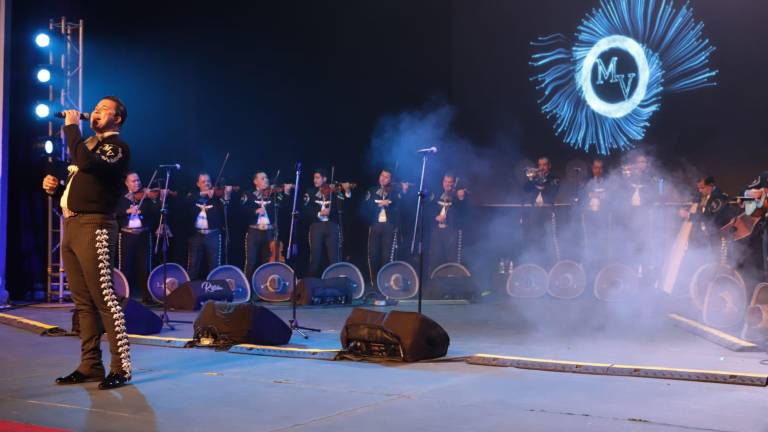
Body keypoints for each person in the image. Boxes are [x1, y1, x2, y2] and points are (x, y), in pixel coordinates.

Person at [41, 96, 132, 389]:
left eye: (104, 110)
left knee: (105, 297)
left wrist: (70, 128)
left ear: (117, 119)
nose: (96, 112)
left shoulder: (116, 148)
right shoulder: (89, 148)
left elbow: (87, 164)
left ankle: (121, 367)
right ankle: (90, 364)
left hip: (96, 226)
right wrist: (57, 191)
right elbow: (85, 183)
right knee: (82, 301)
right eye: (95, 108)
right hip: (72, 225)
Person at [116, 172, 159, 305]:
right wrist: (127, 211)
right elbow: (114, 213)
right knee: (126, 267)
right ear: (127, 183)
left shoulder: (145, 197)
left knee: (145, 267)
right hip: (127, 235)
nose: (137, 183)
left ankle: (147, 297)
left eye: (138, 180)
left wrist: (153, 199)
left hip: (143, 235)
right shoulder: (121, 197)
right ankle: (122, 297)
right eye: (133, 181)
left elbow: (155, 213)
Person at [241, 171, 292, 280]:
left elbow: (285, 208)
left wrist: (286, 193)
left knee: (268, 260)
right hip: (254, 232)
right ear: (255, 181)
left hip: (269, 232)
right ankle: (249, 288)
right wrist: (255, 211)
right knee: (251, 261)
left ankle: (265, 289)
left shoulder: (273, 194)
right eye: (263, 178)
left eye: (267, 178)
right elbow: (242, 211)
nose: (266, 180)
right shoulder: (249, 195)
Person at [301, 168, 352, 276]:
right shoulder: (310, 192)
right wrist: (319, 213)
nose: (315, 180)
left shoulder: (334, 191)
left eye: (318, 178)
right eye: (314, 178)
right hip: (316, 226)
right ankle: (311, 282)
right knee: (315, 256)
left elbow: (343, 206)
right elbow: (306, 210)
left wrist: (347, 191)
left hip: (332, 226)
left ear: (324, 179)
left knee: (334, 257)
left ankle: (336, 281)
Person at [363, 168, 406, 285]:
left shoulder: (394, 192)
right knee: (373, 255)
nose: (383, 178)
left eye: (386, 177)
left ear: (391, 180)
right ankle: (374, 283)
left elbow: (400, 204)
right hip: (375, 225)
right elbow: (367, 205)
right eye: (382, 175)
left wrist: (402, 191)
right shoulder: (372, 190)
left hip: (389, 226)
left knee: (387, 256)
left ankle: (387, 283)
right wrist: (379, 204)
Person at [186, 172, 231, 280]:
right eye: (203, 181)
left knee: (215, 266)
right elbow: (186, 203)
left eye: (208, 181)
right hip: (196, 235)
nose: (206, 183)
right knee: (193, 265)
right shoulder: (192, 196)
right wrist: (201, 194)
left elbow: (226, 209)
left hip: (213, 235)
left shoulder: (216, 197)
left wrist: (227, 196)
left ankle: (215, 293)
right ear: (198, 184)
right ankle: (190, 292)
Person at [522, 156, 560, 267]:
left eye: (544, 165)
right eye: (539, 165)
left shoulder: (554, 177)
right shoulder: (534, 178)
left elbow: (554, 191)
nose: (541, 167)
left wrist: (543, 183)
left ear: (549, 166)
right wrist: (532, 179)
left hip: (547, 211)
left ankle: (551, 264)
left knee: (549, 238)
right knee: (534, 237)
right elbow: (525, 189)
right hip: (534, 212)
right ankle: (535, 262)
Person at [427, 173, 467, 273]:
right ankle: (433, 280)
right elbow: (429, 208)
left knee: (451, 257)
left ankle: (452, 280)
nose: (447, 184)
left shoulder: (457, 195)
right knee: (435, 256)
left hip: (451, 231)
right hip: (437, 230)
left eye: (450, 182)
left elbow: (463, 211)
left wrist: (461, 198)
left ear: (454, 183)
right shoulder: (436, 193)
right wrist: (435, 217)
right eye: (445, 181)